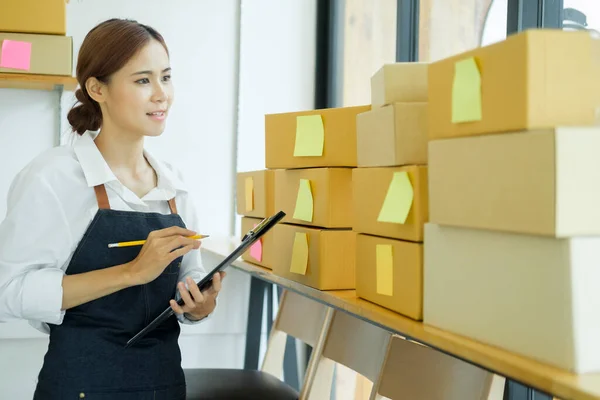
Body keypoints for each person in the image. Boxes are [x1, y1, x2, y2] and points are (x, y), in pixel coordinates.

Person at [0, 18, 224, 399]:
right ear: (97, 88)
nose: (161, 95)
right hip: (81, 386)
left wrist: (200, 304)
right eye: (142, 80)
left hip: (163, 386)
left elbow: (191, 277)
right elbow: (9, 292)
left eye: (166, 77)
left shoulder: (174, 185)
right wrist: (132, 272)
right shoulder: (52, 178)